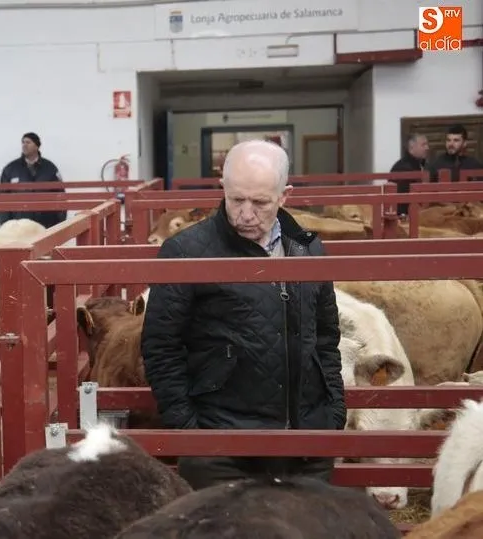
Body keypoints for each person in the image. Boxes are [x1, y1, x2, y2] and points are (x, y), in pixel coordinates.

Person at [139, 139, 345, 491]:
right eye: (236, 199)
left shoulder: (308, 247)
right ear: (223, 188)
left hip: (307, 441)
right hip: (222, 449)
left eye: (260, 202)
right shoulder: (185, 251)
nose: (245, 214)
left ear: (284, 195)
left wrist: (333, 413)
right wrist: (191, 435)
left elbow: (326, 336)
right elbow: (160, 346)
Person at [0, 132, 67, 229]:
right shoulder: (11, 169)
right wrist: (5, 225)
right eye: (23, 142)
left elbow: (60, 195)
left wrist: (60, 224)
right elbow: (3, 199)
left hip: (46, 225)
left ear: (37, 146)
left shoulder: (50, 168)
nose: (24, 145)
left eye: (28, 142)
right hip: (19, 226)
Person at [389, 133, 430, 216]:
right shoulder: (402, 168)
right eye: (423, 145)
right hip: (406, 218)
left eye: (427, 144)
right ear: (411, 147)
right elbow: (402, 202)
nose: (427, 148)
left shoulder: (421, 165)